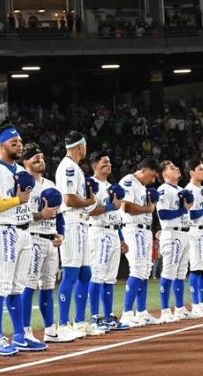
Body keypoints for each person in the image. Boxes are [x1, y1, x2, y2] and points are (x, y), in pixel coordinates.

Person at [0, 123, 45, 354]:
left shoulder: (21, 173)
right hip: (3, 230)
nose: (19, 146)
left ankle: (19, 336)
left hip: (24, 231)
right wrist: (16, 200)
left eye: (20, 142)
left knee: (17, 287)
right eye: (13, 142)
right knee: (2, 284)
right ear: (1, 144)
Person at [22, 143, 73, 343]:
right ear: (26, 162)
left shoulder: (51, 184)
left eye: (42, 157)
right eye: (36, 158)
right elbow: (20, 214)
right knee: (29, 285)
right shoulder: (23, 184)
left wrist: (60, 234)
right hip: (33, 238)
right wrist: (40, 214)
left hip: (51, 241)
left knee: (47, 287)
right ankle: (25, 331)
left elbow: (59, 215)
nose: (40, 161)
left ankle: (50, 329)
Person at [55, 131, 104, 337]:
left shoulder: (75, 167)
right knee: (72, 273)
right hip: (72, 222)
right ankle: (63, 324)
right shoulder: (67, 167)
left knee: (85, 273)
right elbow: (68, 200)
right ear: (80, 146)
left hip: (82, 223)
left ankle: (80, 322)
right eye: (85, 145)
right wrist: (90, 201)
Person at [87, 154, 129, 330]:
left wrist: (121, 238)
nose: (109, 164)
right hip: (98, 231)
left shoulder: (112, 187)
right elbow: (89, 210)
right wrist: (112, 206)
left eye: (110, 162)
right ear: (95, 165)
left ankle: (109, 316)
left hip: (112, 232)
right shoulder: (90, 184)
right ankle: (95, 317)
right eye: (105, 162)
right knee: (97, 274)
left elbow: (115, 215)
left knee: (110, 278)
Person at [119, 158, 161, 326]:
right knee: (137, 269)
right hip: (132, 228)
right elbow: (126, 207)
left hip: (144, 230)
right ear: (144, 169)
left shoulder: (142, 186)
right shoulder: (129, 181)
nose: (153, 180)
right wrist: (147, 209)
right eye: (152, 175)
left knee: (144, 270)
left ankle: (142, 312)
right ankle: (127, 313)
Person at [156, 160, 193, 323]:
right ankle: (165, 310)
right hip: (172, 234)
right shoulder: (163, 190)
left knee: (181, 272)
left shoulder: (181, 190)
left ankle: (180, 308)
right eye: (172, 168)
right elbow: (163, 214)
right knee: (169, 272)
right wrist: (183, 209)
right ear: (164, 174)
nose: (177, 168)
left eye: (176, 166)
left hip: (184, 233)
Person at [184, 159, 203, 318]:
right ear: (191, 172)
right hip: (195, 231)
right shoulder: (189, 190)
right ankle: (196, 305)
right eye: (200, 169)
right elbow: (191, 214)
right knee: (196, 268)